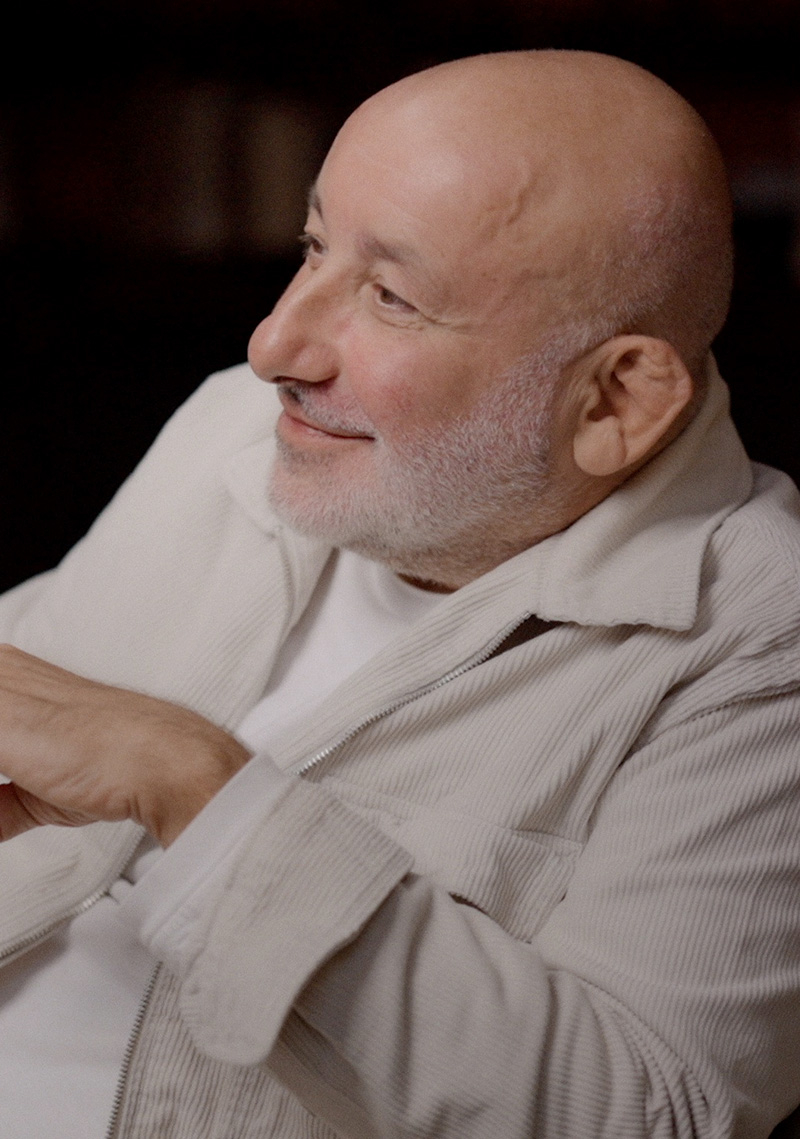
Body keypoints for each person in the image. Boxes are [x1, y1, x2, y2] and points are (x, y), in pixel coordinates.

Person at [0, 47, 798, 1139]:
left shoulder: (759, 637)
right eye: (313, 245)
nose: (272, 345)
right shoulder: (238, 423)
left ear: (615, 400)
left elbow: (653, 1113)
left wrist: (195, 787)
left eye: (390, 296)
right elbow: (38, 688)